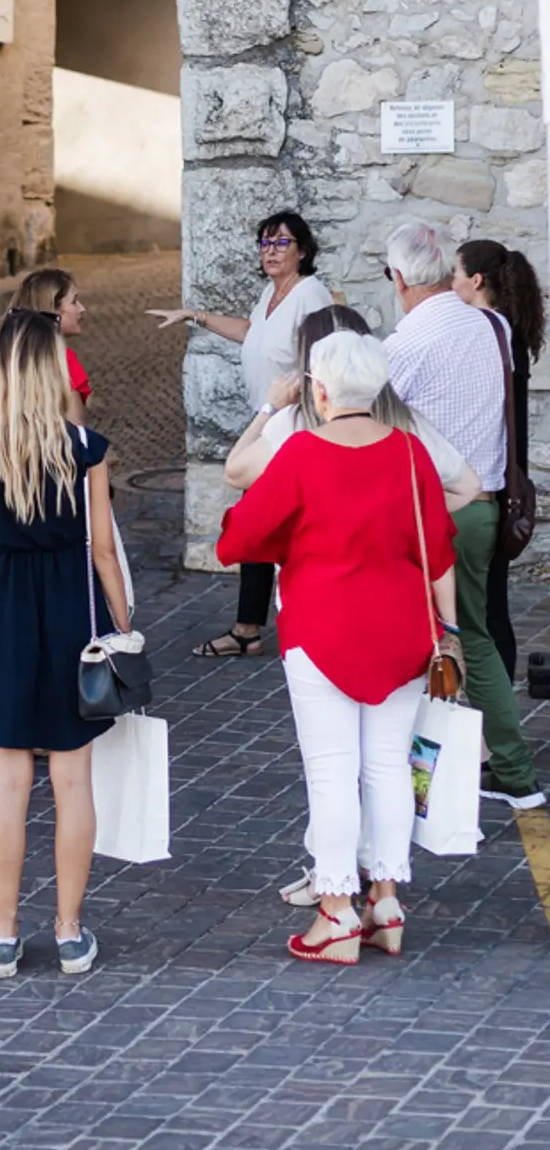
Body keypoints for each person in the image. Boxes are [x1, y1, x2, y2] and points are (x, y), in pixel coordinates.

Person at [217, 330, 462, 964]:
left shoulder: (301, 453)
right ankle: (385, 901)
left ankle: (336, 913)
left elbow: (239, 537)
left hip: (321, 630)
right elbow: (438, 551)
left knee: (331, 774)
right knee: (387, 769)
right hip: (405, 632)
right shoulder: (408, 453)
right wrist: (452, 632)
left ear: (320, 391)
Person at [0, 308, 132, 980]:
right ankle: (71, 930)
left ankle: (3, 932)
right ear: (54, 371)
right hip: (68, 613)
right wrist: (124, 625)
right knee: (72, 779)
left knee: (7, 781)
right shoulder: (85, 448)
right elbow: (103, 553)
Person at [383, 222, 544, 810]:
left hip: (426, 517)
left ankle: (475, 771)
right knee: (469, 638)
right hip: (482, 509)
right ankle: (495, 768)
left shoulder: (403, 347)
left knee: (428, 646)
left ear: (398, 278)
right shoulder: (493, 326)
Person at [149, 210, 334, 658]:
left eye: (281, 243)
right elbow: (253, 333)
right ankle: (253, 627)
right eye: (265, 243)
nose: (271, 251)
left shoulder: (311, 295)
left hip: (296, 432)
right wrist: (195, 315)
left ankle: (264, 627)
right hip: (268, 428)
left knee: (268, 525)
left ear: (303, 251)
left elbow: (326, 356)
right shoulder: (271, 295)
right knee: (264, 526)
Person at [226, 305, 481, 515]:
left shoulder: (293, 424)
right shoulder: (407, 422)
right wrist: (405, 521)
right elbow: (468, 487)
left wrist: (269, 408)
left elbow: (236, 473)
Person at [452, 239, 546, 681]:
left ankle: (494, 714)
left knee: (486, 612)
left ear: (475, 280)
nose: (450, 283)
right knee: (493, 606)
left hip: (491, 481)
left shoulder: (485, 332)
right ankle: (498, 709)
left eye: (455, 274)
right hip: (505, 479)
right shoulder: (503, 331)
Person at [10, 268, 92, 422]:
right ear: (53, 311)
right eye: (74, 301)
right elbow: (76, 434)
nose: (82, 308)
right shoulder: (62, 360)